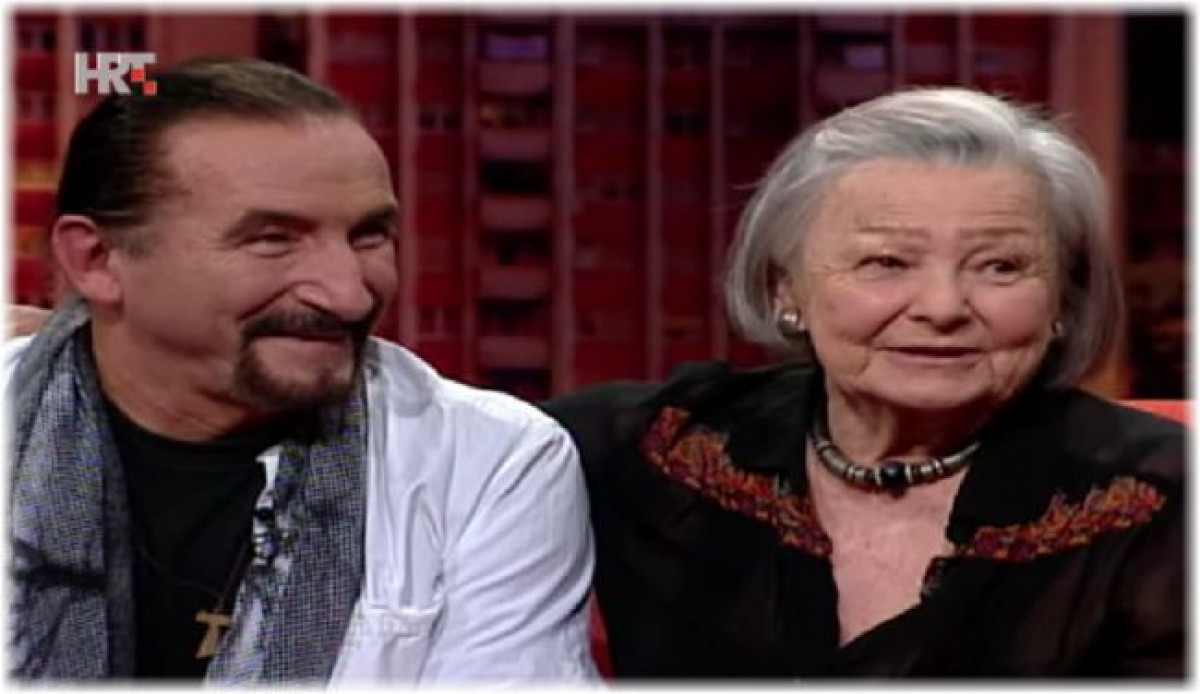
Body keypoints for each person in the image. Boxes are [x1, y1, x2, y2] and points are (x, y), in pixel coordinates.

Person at [544, 87, 1185, 677]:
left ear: (1063, 301)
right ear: (785, 289)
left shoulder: (1164, 501)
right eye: (886, 262)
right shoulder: (661, 451)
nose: (943, 307)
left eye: (1000, 266)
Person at [6, 57, 595, 682]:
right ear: (98, 260)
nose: (349, 295)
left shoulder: (491, 465)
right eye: (273, 239)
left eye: (369, 236)